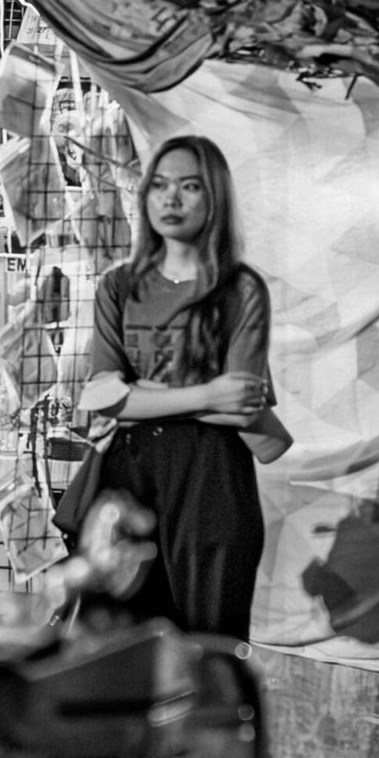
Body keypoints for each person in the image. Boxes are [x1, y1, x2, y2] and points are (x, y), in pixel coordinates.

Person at [76, 134, 277, 640]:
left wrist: (139, 396)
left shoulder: (241, 289)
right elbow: (101, 396)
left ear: (215, 199)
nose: (171, 199)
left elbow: (244, 404)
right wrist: (207, 394)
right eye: (160, 186)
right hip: (130, 480)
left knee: (208, 649)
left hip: (213, 480)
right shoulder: (118, 287)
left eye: (189, 187)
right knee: (120, 647)